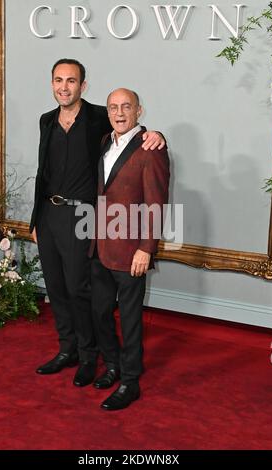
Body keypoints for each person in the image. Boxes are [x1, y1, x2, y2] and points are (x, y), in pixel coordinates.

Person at [30, 59, 165, 387]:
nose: (64, 86)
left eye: (71, 81)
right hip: (48, 215)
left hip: (83, 218)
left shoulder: (96, 118)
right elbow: (43, 172)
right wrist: (36, 219)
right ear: (51, 84)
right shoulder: (46, 121)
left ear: (83, 86)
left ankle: (90, 356)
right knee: (56, 289)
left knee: (80, 291)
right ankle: (68, 349)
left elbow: (131, 132)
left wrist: (155, 134)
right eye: (58, 80)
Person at [90, 88, 170, 410]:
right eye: (113, 107)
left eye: (126, 106)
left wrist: (146, 248)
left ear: (140, 110)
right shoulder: (105, 142)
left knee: (131, 319)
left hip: (131, 251)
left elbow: (156, 202)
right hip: (100, 246)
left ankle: (131, 381)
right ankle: (113, 365)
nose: (119, 112)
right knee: (99, 311)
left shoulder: (151, 148)